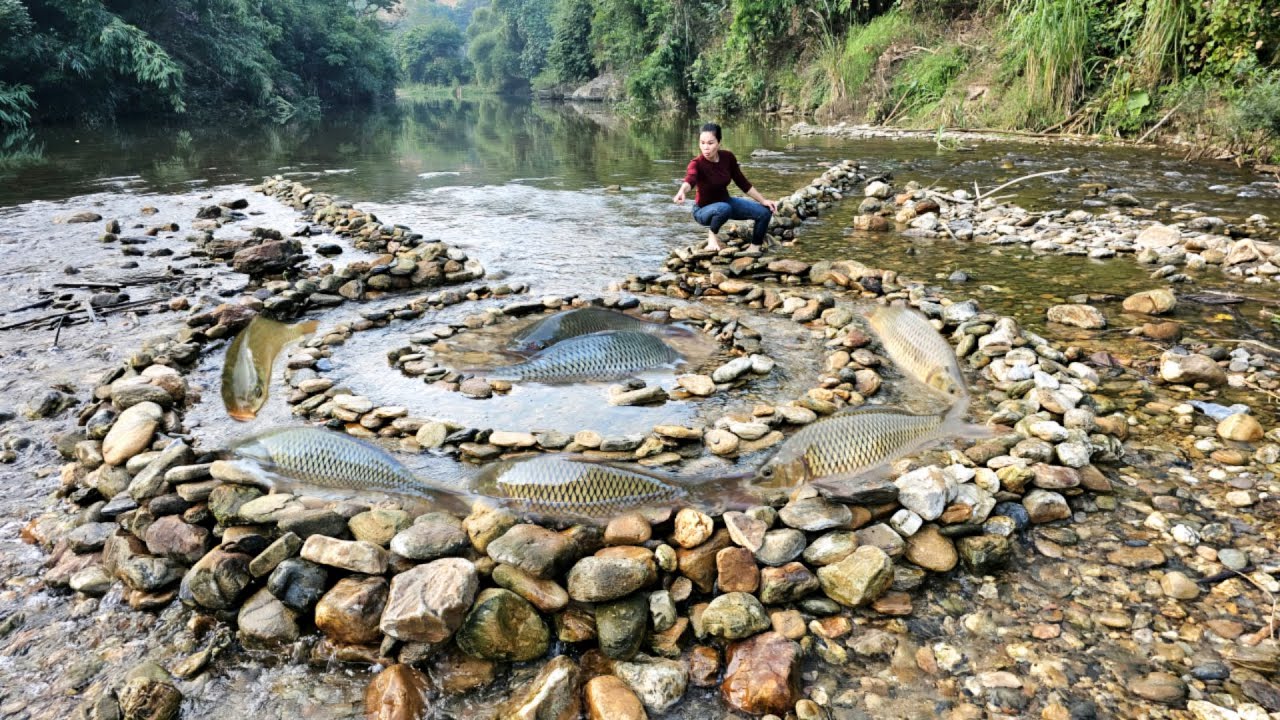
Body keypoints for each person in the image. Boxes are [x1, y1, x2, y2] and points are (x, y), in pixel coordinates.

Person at [673, 122, 777, 252]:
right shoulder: (696, 163)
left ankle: (754, 248)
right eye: (702, 143)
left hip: (726, 203)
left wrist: (763, 201)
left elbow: (742, 183)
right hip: (703, 210)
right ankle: (712, 236)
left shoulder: (728, 157)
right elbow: (690, 178)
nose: (705, 147)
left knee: (764, 212)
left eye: (710, 143)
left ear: (719, 142)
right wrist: (682, 191)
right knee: (723, 208)